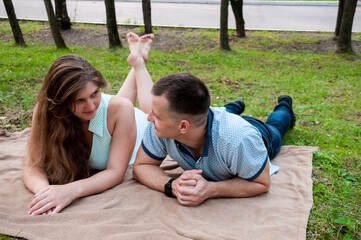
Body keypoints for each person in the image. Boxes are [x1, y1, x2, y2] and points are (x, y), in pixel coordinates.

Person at [23, 32, 154, 215]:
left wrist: (70, 191)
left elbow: (116, 173)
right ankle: (137, 61)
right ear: (60, 101)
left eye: (95, 92)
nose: (90, 105)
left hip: (140, 125)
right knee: (112, 107)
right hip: (114, 119)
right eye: (79, 100)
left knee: (148, 112)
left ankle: (139, 65)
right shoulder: (44, 111)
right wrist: (46, 194)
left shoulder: (118, 110)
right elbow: (32, 165)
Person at [132, 73, 296, 206]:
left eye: (157, 115)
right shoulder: (160, 127)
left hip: (259, 133)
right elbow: (141, 166)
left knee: (276, 125)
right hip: (212, 121)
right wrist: (172, 185)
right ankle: (233, 107)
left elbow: (262, 183)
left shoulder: (240, 140)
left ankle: (284, 106)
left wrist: (211, 189)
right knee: (225, 112)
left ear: (183, 127)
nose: (149, 118)